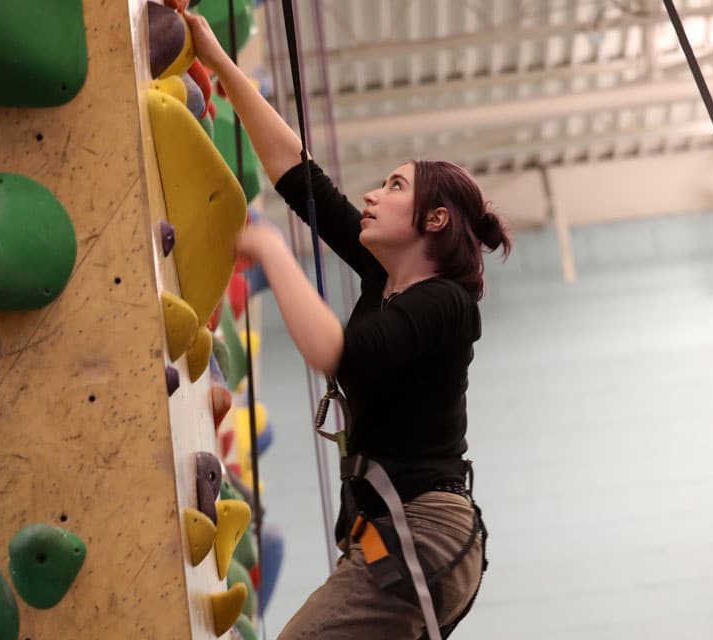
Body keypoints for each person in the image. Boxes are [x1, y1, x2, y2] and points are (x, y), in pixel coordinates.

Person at [186, 12, 511, 639]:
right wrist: (220, 63)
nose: (371, 195)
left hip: (424, 530)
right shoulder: (383, 278)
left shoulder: (447, 304)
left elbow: (339, 351)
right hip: (386, 532)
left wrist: (273, 252)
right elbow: (299, 177)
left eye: (394, 186)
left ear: (435, 220)